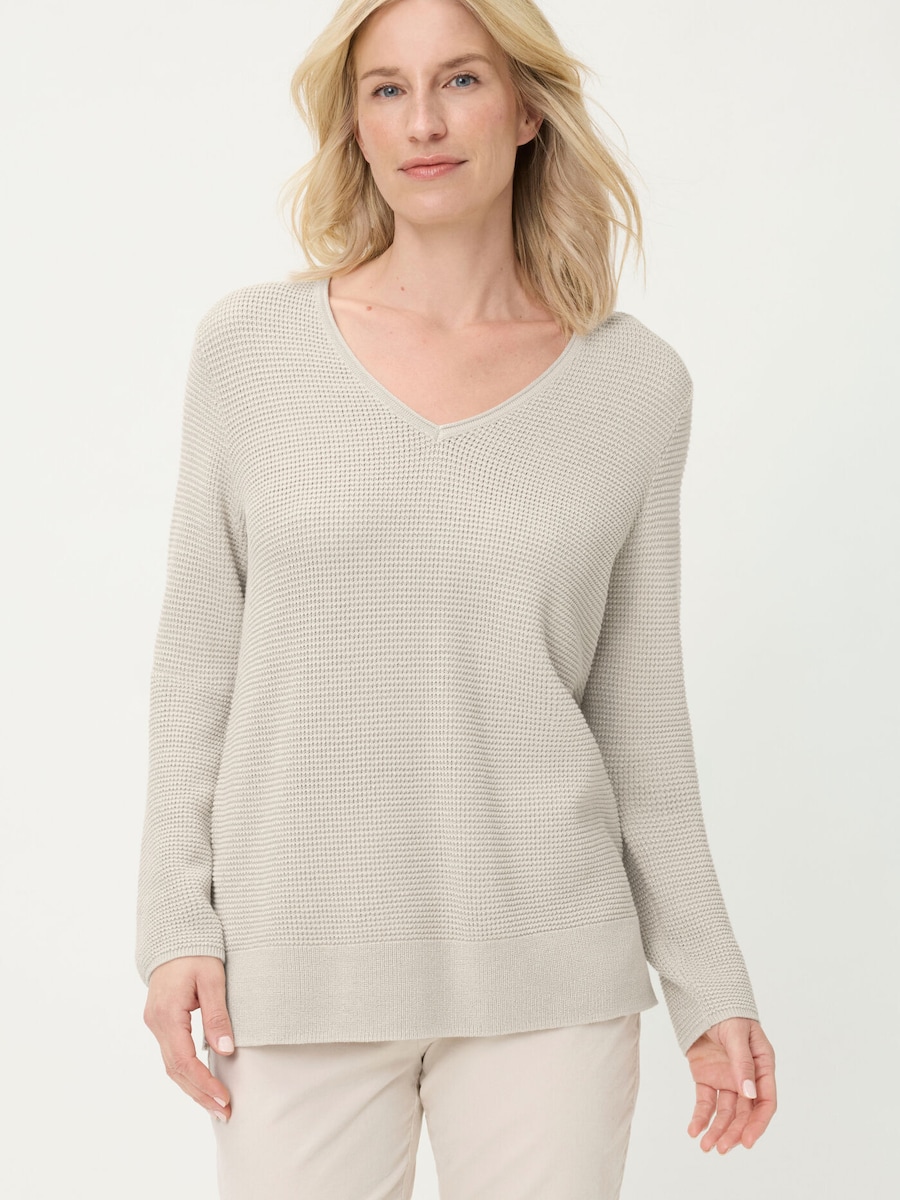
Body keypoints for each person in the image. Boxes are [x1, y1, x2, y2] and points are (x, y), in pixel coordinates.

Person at [136, 0, 777, 1195]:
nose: (423, 122)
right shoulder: (251, 351)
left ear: (527, 109)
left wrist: (711, 986)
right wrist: (176, 926)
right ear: (356, 124)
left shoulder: (635, 387)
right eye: (387, 89)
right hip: (297, 968)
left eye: (462, 81)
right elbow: (195, 662)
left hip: (551, 970)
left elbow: (640, 719)